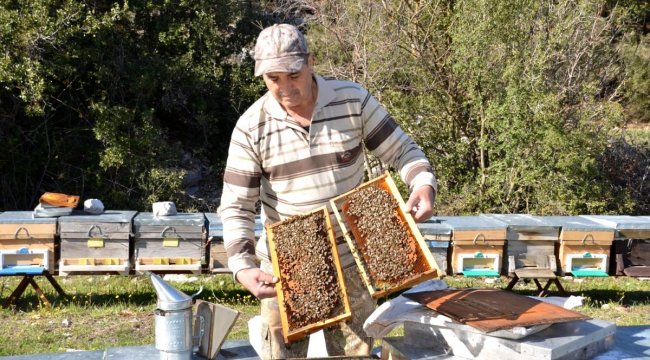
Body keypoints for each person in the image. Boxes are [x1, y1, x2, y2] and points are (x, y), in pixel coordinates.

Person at [219, 23, 437, 359]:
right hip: (286, 269)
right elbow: (236, 206)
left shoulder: (353, 100)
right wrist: (243, 265)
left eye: (292, 74)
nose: (283, 87)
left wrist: (422, 183)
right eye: (272, 78)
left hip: (354, 263)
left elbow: (402, 150)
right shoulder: (251, 127)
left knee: (355, 355)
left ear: (310, 61)